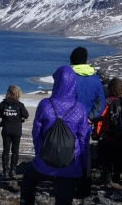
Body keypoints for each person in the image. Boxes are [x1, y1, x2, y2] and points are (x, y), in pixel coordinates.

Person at [20, 65, 89, 205]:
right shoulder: (80, 109)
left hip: (44, 163)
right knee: (64, 200)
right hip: (70, 166)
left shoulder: (45, 105)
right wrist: (83, 167)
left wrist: (41, 154)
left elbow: (36, 134)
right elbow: (84, 142)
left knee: (28, 179)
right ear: (73, 84)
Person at [91, 77, 122, 184]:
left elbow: (100, 121)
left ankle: (107, 180)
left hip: (108, 136)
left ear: (110, 88)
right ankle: (117, 177)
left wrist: (95, 135)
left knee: (106, 159)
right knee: (119, 156)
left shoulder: (107, 102)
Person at [0, 84, 29, 178]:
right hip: (16, 129)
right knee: (15, 150)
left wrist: (7, 114)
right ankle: (12, 170)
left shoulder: (3, 104)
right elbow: (26, 115)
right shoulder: (19, 105)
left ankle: (5, 170)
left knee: (5, 150)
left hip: (6, 129)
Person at [69, 47, 106, 123]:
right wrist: (91, 117)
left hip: (68, 122)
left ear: (72, 60)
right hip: (86, 123)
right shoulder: (96, 79)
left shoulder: (68, 76)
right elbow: (101, 102)